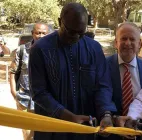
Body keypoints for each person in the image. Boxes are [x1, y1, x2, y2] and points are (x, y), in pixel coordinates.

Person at [28, 3, 116, 140]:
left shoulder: (94, 48)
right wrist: (67, 116)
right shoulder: (40, 49)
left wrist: (106, 114)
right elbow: (39, 92)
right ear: (59, 22)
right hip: (52, 130)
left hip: (86, 129)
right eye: (71, 31)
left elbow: (103, 86)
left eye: (81, 33)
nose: (76, 37)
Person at [103, 22, 142, 139]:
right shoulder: (103, 67)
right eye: (123, 39)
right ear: (116, 43)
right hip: (110, 134)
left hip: (139, 134)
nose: (128, 43)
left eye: (132, 39)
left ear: (139, 44)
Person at [9, 23, 49, 140]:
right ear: (33, 34)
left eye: (43, 33)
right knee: (27, 134)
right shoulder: (22, 50)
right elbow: (12, 71)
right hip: (24, 98)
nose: (40, 36)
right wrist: (13, 92)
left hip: (44, 100)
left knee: (41, 131)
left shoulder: (52, 52)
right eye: (38, 33)